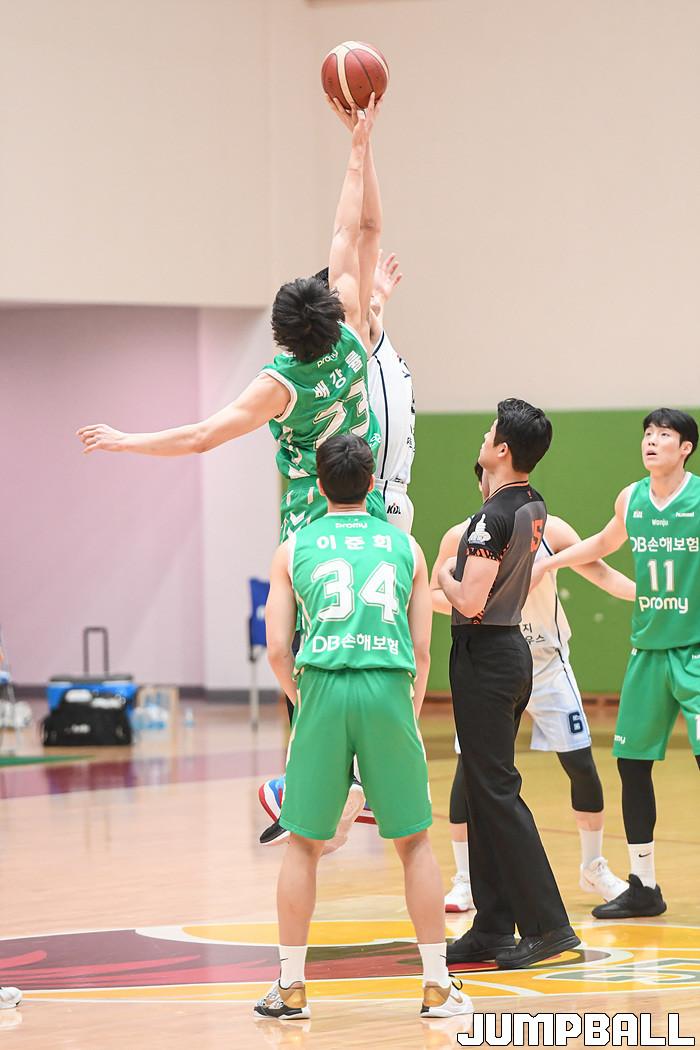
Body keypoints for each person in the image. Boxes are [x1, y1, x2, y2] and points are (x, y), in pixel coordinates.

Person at [77, 95, 387, 541]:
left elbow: (201, 437)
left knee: (291, 589)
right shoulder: (352, 328)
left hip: (312, 512)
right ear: (330, 308)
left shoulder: (278, 387)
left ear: (281, 334)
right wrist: (360, 145)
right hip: (367, 506)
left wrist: (124, 440)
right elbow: (356, 229)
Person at [254, 433, 472, 1020]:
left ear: (319, 484)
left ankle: (291, 988)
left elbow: (277, 649)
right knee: (414, 841)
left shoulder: (292, 548)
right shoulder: (406, 547)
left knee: (304, 844)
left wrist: (303, 700)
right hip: (388, 690)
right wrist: (408, 708)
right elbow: (422, 650)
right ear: (372, 483)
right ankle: (436, 986)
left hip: (322, 690)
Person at [431, 463, 634, 913]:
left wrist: (647, 596)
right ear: (481, 482)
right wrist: (474, 601)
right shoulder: (461, 536)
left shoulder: (550, 529)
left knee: (581, 765)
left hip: (545, 662)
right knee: (469, 772)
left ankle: (593, 866)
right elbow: (432, 596)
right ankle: (464, 879)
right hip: (491, 663)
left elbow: (600, 571)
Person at [531, 407, 699, 920]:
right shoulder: (631, 498)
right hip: (648, 652)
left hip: (695, 650)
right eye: (647, 433)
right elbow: (604, 543)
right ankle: (644, 885)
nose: (651, 441)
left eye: (664, 435)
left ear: (685, 448)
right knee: (632, 764)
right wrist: (550, 561)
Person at [438, 398, 580, 970]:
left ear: (501, 449)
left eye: (490, 431)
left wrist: (445, 573)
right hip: (508, 653)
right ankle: (493, 926)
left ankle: (549, 926)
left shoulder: (489, 518)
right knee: (481, 789)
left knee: (495, 791)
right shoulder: (531, 501)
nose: (483, 436)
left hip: (487, 656)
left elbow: (470, 599)